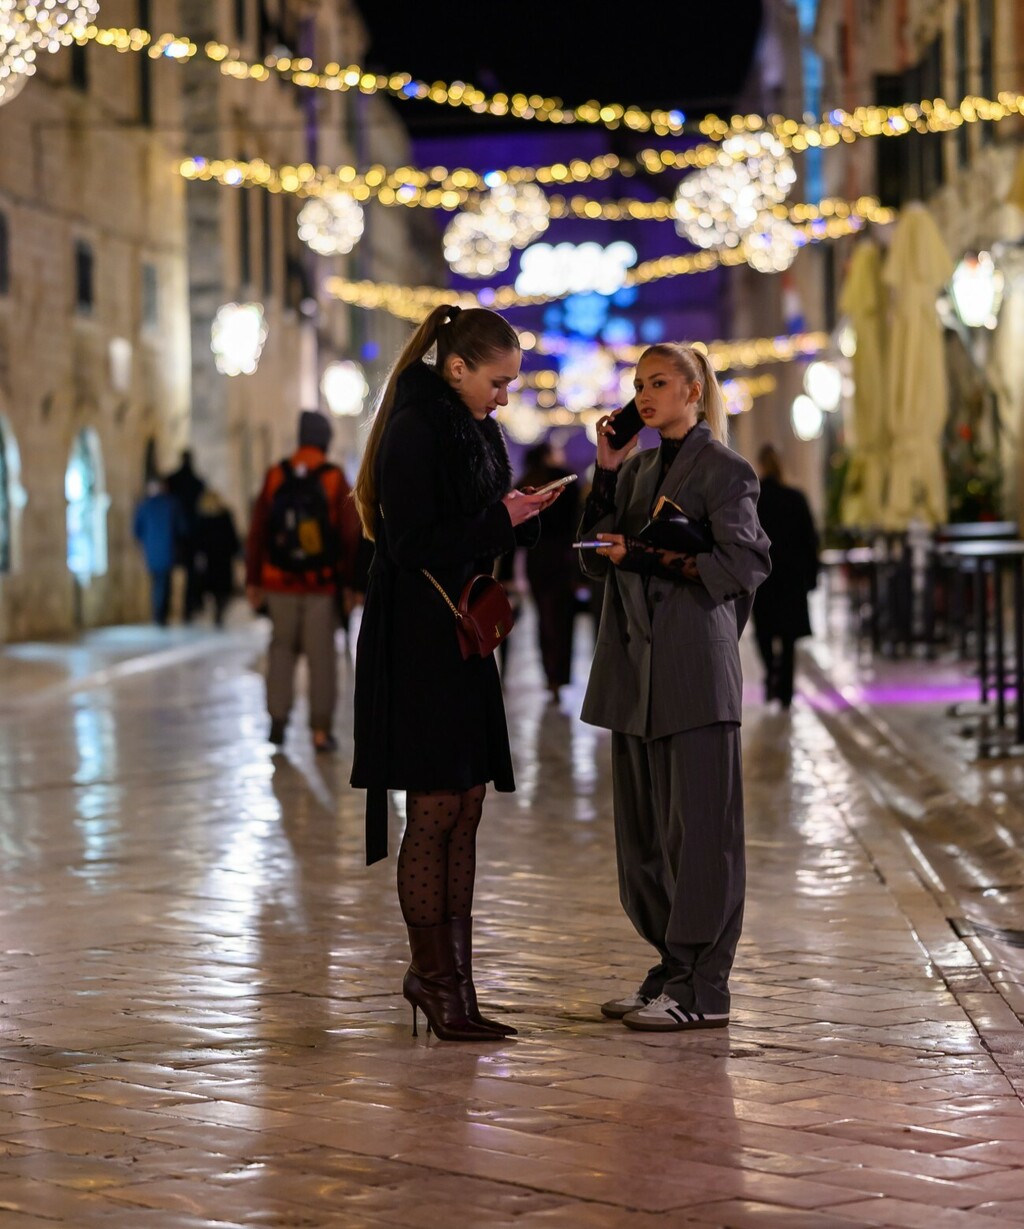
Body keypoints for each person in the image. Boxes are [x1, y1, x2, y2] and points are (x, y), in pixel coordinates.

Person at [350, 304, 562, 1042]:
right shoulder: (415, 427)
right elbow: (408, 542)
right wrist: (497, 521)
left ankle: (459, 985)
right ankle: (432, 979)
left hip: (461, 635)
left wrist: (524, 513)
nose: (504, 396)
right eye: (497, 382)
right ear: (458, 367)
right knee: (434, 804)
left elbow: (477, 521)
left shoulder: (475, 427)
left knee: (467, 800)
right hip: (416, 636)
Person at [577, 342, 771, 1033]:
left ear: (694, 389)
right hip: (635, 674)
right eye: (639, 385)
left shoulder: (726, 469)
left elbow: (743, 563)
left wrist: (652, 557)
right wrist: (605, 473)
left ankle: (705, 984)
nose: (645, 395)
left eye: (659, 383)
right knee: (647, 838)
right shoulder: (636, 472)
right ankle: (670, 964)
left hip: (692, 666)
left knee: (702, 832)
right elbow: (597, 560)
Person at [245, 410, 361, 752]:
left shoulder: (275, 476)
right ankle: (320, 731)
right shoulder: (333, 478)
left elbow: (257, 533)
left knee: (281, 650)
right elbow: (350, 536)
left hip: (278, 582)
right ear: (325, 440)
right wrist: (351, 586)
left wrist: (253, 581)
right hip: (320, 586)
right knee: (321, 657)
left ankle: (277, 719)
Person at [751, 442, 820, 709]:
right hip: (791, 577)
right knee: (788, 638)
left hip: (763, 577)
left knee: (765, 633)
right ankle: (786, 692)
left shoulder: (754, 501)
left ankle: (772, 673)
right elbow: (810, 540)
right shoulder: (795, 498)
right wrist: (811, 575)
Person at [515, 439, 582, 701]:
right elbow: (576, 521)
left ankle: (548, 675)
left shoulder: (525, 482)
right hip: (562, 560)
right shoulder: (565, 484)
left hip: (536, 560)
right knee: (562, 620)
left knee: (543, 617)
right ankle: (558, 676)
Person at [133, 477, 186, 626]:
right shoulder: (171, 504)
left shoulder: (144, 506)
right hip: (168, 549)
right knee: (164, 582)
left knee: (157, 582)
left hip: (151, 551)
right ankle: (161, 615)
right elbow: (182, 527)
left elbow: (137, 530)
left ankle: (158, 613)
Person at [165, 449, 206, 623]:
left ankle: (164, 611)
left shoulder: (172, 481)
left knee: (167, 574)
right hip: (191, 534)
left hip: (174, 534)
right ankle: (187, 609)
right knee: (190, 573)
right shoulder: (197, 483)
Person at [195, 488, 241, 627]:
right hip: (223, 557)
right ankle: (219, 610)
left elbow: (199, 539)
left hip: (211, 557)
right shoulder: (224, 516)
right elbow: (232, 536)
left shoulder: (203, 518)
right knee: (223, 588)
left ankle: (217, 609)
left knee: (214, 587)